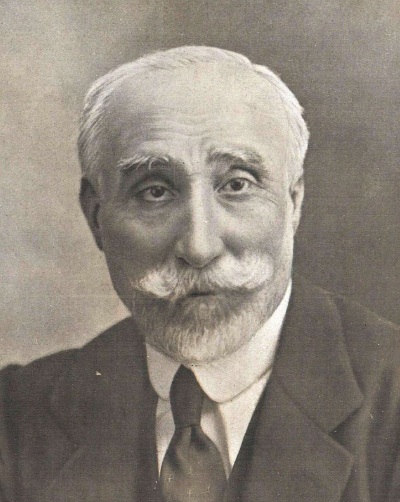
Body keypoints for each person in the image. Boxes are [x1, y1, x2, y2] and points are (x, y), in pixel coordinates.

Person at [0, 46, 399, 502]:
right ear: (96, 217)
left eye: (237, 185)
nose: (199, 247)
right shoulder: (14, 419)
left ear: (293, 203)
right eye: (154, 192)